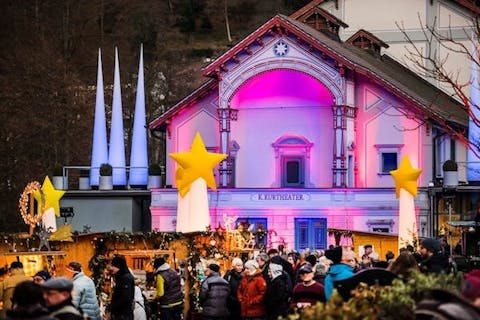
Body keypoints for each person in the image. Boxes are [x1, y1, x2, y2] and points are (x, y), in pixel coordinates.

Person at [109, 255, 135, 320]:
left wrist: (113, 306)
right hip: (122, 314)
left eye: (113, 266)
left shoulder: (125, 278)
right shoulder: (121, 277)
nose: (111, 268)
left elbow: (125, 298)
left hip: (123, 315)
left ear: (119, 266)